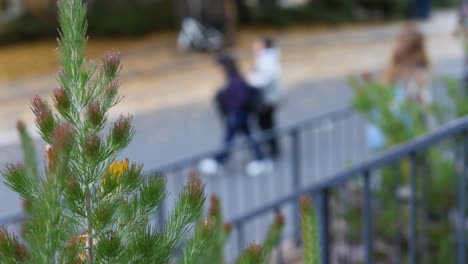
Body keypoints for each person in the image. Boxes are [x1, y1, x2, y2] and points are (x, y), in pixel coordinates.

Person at [199, 54, 271, 177]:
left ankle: (219, 161)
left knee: (229, 139)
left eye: (220, 66)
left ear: (225, 67)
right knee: (246, 137)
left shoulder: (235, 80)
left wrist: (230, 107)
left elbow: (240, 98)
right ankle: (260, 159)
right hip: (238, 114)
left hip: (237, 114)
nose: (218, 69)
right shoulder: (235, 78)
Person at [247, 37, 283, 158]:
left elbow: (265, 79)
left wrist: (251, 82)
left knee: (266, 123)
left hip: (267, 99)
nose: (254, 47)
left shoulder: (267, 61)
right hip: (269, 97)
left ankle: (273, 149)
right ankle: (272, 147)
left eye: (257, 44)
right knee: (266, 123)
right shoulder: (266, 59)